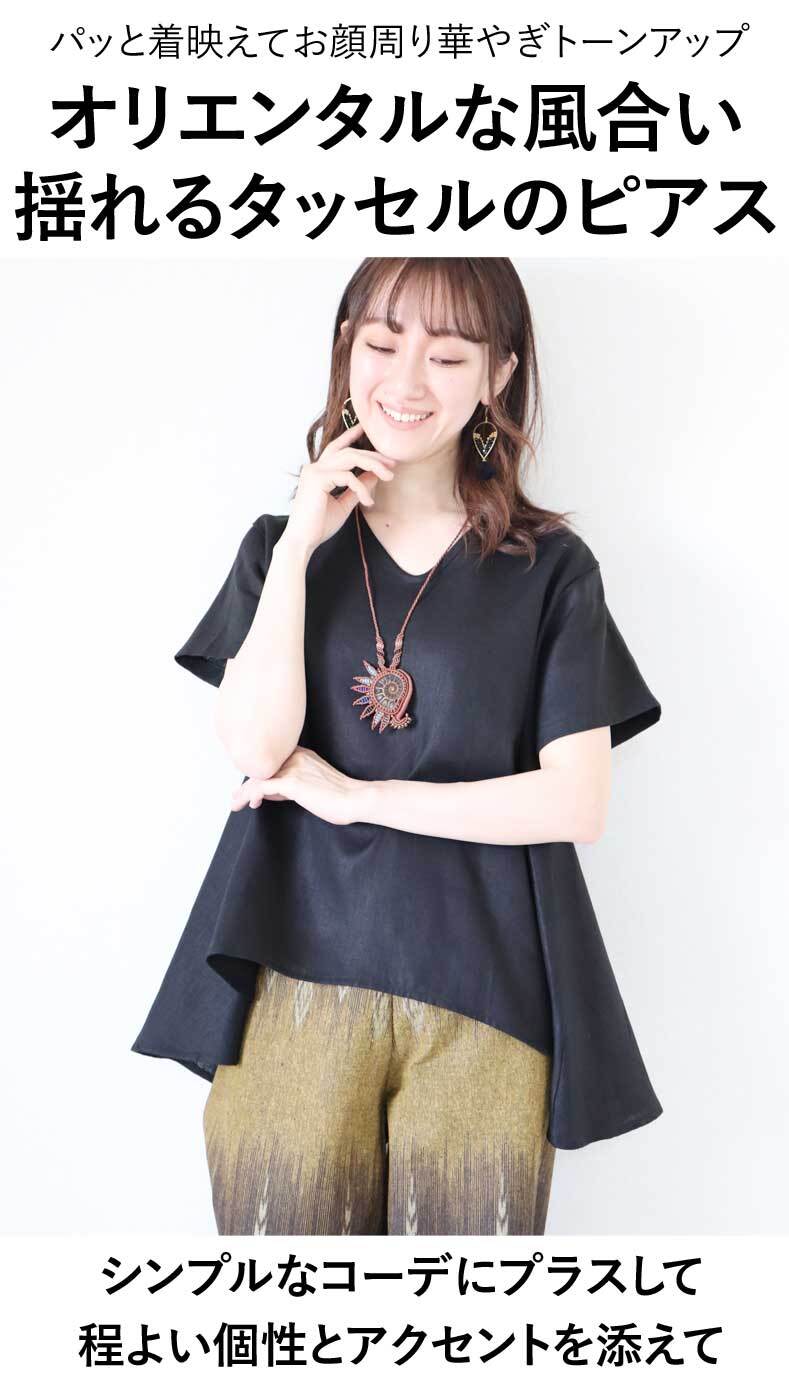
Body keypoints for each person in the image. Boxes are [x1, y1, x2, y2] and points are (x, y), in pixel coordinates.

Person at [132, 257, 663, 1236]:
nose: (408, 378)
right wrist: (301, 542)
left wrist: (360, 796)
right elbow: (255, 745)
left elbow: (575, 801)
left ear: (497, 374)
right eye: (381, 343)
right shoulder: (280, 548)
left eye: (448, 354)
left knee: (462, 1303)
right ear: (346, 350)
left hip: (488, 997)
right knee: (285, 1297)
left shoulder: (550, 569)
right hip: (291, 984)